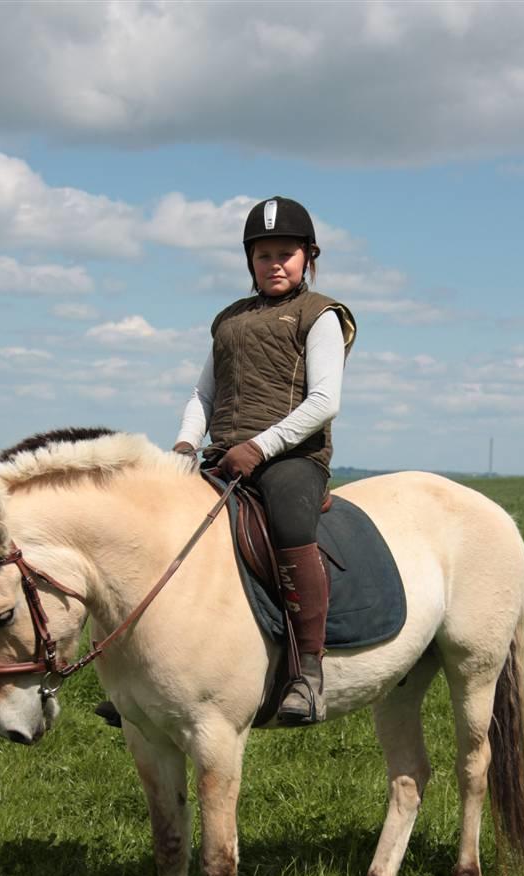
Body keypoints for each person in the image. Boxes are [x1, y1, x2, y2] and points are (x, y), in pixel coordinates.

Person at [174, 196, 356, 725]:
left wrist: (259, 446)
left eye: (286, 254)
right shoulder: (228, 320)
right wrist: (185, 445)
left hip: (292, 457)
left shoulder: (320, 314)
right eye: (263, 255)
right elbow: (203, 393)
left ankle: (307, 673)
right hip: (224, 456)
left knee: (289, 523)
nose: (274, 264)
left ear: (308, 256)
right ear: (249, 261)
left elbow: (325, 401)